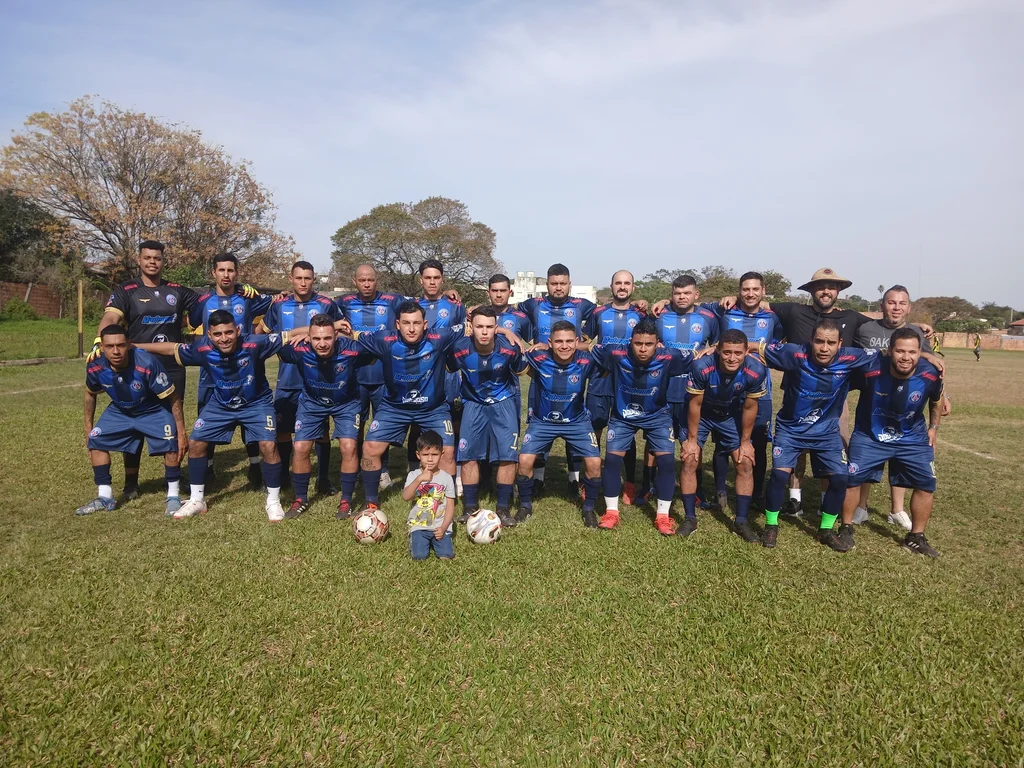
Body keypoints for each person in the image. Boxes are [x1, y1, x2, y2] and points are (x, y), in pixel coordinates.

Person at [135, 310, 287, 521]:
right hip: (221, 404)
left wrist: (324, 331)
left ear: (238, 330)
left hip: (256, 403)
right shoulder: (202, 348)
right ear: (209, 335)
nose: (224, 338)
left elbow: (289, 335)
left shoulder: (254, 343)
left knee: (268, 445)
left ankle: (273, 501)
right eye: (218, 334)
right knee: (196, 443)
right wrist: (135, 346)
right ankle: (197, 500)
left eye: (229, 332)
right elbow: (172, 348)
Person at [757, 318, 880, 549]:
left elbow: (890, 354)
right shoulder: (794, 353)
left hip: (826, 432)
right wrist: (715, 348)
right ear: (810, 341)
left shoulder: (851, 357)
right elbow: (755, 347)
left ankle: (826, 530)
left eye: (831, 343)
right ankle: (771, 526)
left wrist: (928, 355)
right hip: (791, 429)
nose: (824, 348)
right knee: (779, 476)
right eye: (819, 341)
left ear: (840, 344)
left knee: (840, 478)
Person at [93, 240, 199, 500]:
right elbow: (111, 318)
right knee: (133, 422)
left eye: (157, 258)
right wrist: (99, 340)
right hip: (136, 367)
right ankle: (131, 483)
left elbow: (208, 303)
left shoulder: (177, 291)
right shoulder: (126, 290)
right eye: (148, 257)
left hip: (171, 366)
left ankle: (174, 479)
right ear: (139, 260)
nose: (153, 262)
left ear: (163, 261)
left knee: (172, 422)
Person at [838, 328, 945, 556]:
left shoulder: (930, 373)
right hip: (870, 436)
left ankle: (916, 537)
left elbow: (937, 399)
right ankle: (846, 528)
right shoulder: (870, 367)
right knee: (851, 479)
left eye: (912, 352)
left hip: (912, 438)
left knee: (926, 483)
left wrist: (933, 428)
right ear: (889, 351)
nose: (906, 357)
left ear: (920, 353)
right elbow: (839, 373)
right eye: (900, 351)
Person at [353, 302, 469, 508]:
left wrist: (506, 332)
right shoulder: (384, 340)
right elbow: (352, 334)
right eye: (406, 323)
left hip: (433, 409)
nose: (412, 328)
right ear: (398, 324)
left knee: (447, 453)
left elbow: (471, 327)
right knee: (370, 448)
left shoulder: (439, 337)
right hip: (394, 408)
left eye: (416, 323)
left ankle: (445, 504)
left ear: (425, 324)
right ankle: (371, 502)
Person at [590, 317, 696, 536]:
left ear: (658, 344)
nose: (643, 349)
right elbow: (587, 348)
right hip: (623, 416)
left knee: (667, 462)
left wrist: (712, 349)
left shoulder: (670, 356)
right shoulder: (615, 352)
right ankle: (611, 513)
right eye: (638, 343)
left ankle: (663, 516)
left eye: (649, 344)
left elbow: (699, 355)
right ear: (630, 342)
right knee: (612, 460)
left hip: (657, 416)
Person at [76, 325, 188, 516]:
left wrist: (181, 432)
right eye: (110, 346)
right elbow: (90, 393)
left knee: (171, 444)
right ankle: (105, 497)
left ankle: (173, 497)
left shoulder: (147, 362)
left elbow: (173, 396)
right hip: (120, 410)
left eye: (120, 345)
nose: (116, 351)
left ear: (128, 344)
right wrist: (88, 427)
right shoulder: (95, 364)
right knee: (96, 440)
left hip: (152, 409)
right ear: (102, 347)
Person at [852, 285, 937, 530]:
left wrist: (945, 395)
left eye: (902, 303)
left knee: (901, 456)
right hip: (875, 399)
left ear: (909, 308)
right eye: (891, 302)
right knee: (867, 454)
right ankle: (861, 507)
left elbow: (930, 368)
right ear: (882, 305)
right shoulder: (865, 328)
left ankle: (897, 509)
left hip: (906, 402)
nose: (896, 307)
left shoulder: (916, 333)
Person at [695, 271, 782, 510]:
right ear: (739, 291)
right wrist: (662, 301)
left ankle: (756, 494)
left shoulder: (773, 317)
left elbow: (778, 344)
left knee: (759, 442)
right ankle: (720, 492)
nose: (750, 293)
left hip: (760, 389)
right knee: (724, 441)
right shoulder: (724, 310)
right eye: (745, 289)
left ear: (763, 291)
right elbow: (692, 304)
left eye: (755, 289)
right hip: (725, 389)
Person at [188, 252, 275, 488]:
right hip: (211, 372)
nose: (226, 275)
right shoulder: (203, 301)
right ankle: (207, 469)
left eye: (230, 270)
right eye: (221, 270)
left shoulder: (246, 298)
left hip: (245, 370)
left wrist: (255, 291)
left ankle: (255, 467)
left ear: (236, 273)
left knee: (250, 417)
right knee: (206, 420)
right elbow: (192, 322)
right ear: (213, 272)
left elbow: (275, 301)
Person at [515, 263, 600, 498]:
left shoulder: (582, 305)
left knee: (572, 418)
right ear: (547, 285)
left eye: (563, 283)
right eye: (554, 283)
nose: (558, 287)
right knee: (541, 421)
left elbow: (605, 317)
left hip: (571, 368)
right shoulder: (533, 304)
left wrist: (579, 344)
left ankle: (574, 478)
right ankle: (538, 479)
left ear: (569, 284)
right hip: (543, 370)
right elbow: (509, 313)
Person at [259, 261, 345, 493]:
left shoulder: (326, 304)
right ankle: (284, 476)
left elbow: (341, 330)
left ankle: (323, 479)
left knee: (321, 431)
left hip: (319, 377)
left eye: (308, 278)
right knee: (283, 429)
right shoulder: (279, 305)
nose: (303, 283)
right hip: (288, 376)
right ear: (291, 279)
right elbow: (261, 333)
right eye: (299, 278)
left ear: (314, 279)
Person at [277, 315, 374, 520]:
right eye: (316, 338)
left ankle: (346, 501)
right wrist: (301, 333)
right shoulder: (299, 349)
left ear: (336, 335)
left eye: (327, 338)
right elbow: (278, 341)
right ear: (309, 336)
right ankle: (300, 499)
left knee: (349, 446)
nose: (322, 344)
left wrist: (353, 335)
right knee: (300, 447)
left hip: (346, 403)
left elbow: (374, 350)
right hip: (312, 403)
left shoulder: (352, 349)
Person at [681, 329, 768, 543]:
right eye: (727, 352)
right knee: (690, 458)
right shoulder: (702, 366)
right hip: (702, 414)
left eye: (738, 353)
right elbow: (695, 404)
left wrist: (745, 442)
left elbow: (750, 407)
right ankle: (690, 518)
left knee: (745, 462)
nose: (732, 358)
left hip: (730, 415)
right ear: (718, 350)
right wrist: (692, 440)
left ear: (746, 352)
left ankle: (741, 521)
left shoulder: (756, 370)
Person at [516, 321, 603, 526]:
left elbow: (611, 356)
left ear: (577, 341)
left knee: (594, 463)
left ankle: (589, 509)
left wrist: (588, 346)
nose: (564, 346)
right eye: (559, 342)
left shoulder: (587, 360)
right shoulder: (538, 357)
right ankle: (525, 505)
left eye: (569, 341)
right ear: (549, 343)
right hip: (543, 421)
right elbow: (517, 356)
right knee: (524, 461)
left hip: (576, 421)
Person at [448, 305, 526, 528]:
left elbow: (523, 371)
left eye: (490, 327)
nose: (484, 332)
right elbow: (449, 368)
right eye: (479, 326)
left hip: (503, 403)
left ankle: (503, 508)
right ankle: (470, 507)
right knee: (468, 455)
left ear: (496, 327)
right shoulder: (459, 348)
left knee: (508, 456)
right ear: (471, 327)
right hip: (473, 404)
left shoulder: (509, 348)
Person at [647, 274, 720, 508]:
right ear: (671, 295)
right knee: (655, 439)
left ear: (696, 295)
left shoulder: (709, 317)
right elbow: (645, 340)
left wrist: (713, 348)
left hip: (694, 391)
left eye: (687, 293)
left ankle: (697, 490)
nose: (682, 297)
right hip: (663, 388)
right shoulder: (659, 315)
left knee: (692, 440)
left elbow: (720, 343)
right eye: (677, 293)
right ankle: (648, 484)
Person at [336, 264, 407, 491]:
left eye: (371, 280)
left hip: (384, 376)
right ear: (354, 281)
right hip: (354, 376)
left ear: (377, 280)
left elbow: (422, 304)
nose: (367, 284)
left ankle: (382, 469)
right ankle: (357, 468)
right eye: (362, 280)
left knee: (381, 426)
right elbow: (320, 314)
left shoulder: (393, 301)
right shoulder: (344, 303)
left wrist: (446, 293)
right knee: (356, 426)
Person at [587, 270, 645, 505]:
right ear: (611, 286)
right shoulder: (598, 313)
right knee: (594, 429)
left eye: (626, 283)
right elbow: (583, 340)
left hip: (629, 381)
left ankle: (629, 483)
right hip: (601, 379)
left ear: (633, 287)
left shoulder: (641, 315)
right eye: (618, 283)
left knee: (626, 431)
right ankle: (591, 478)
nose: (622, 287)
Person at [409, 259, 467, 475]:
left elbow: (462, 338)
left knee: (454, 421)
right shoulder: (413, 306)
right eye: (428, 278)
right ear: (421, 280)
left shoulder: (455, 306)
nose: (432, 282)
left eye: (436, 277)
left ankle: (455, 472)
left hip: (448, 372)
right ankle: (414, 471)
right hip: (419, 374)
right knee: (417, 422)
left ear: (442, 279)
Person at [402, 430, 457, 561]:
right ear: (418, 455)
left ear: (442, 454)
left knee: (446, 555)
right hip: (419, 526)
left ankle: (440, 542)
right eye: (425, 454)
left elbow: (450, 506)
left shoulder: (447, 478)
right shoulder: (413, 475)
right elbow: (406, 497)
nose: (430, 459)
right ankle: (416, 540)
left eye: (435, 454)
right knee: (419, 556)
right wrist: (419, 479)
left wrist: (444, 527)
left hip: (439, 526)